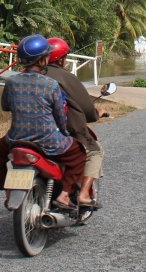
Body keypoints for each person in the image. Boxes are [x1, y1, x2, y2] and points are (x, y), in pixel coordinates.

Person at [0, 34, 88, 210]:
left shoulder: (11, 81)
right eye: (46, 56)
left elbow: (5, 106)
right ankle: (64, 195)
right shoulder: (50, 84)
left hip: (16, 139)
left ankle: (8, 191)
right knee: (79, 154)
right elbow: (60, 117)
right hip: (47, 141)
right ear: (41, 60)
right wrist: (64, 132)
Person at [44, 37, 108, 208]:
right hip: (65, 133)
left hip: (28, 134)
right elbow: (86, 108)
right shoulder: (66, 78)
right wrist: (96, 113)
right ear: (62, 59)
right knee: (95, 152)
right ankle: (84, 194)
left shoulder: (30, 75)